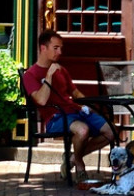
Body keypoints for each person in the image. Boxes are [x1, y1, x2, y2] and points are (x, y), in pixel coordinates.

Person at [22, 29, 115, 181]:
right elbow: (41, 100)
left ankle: (72, 158)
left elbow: (76, 93)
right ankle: (79, 164)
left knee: (111, 131)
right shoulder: (31, 75)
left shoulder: (62, 70)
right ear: (43, 48)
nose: (60, 52)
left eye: (61, 48)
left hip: (76, 111)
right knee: (83, 131)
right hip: (55, 117)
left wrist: (88, 104)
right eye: (56, 48)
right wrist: (49, 76)